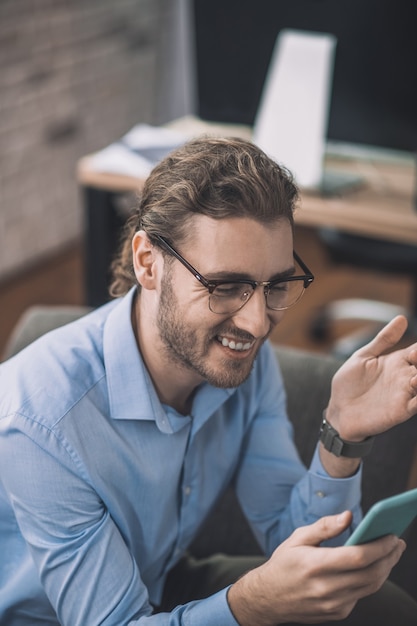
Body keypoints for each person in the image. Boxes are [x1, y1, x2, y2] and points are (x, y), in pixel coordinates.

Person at [1, 137, 417, 626]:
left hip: (159, 577)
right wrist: (249, 605)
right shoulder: (38, 422)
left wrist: (342, 435)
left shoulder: (246, 363)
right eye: (226, 287)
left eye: (275, 286)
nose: (258, 324)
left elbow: (296, 541)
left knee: (380, 607)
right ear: (148, 262)